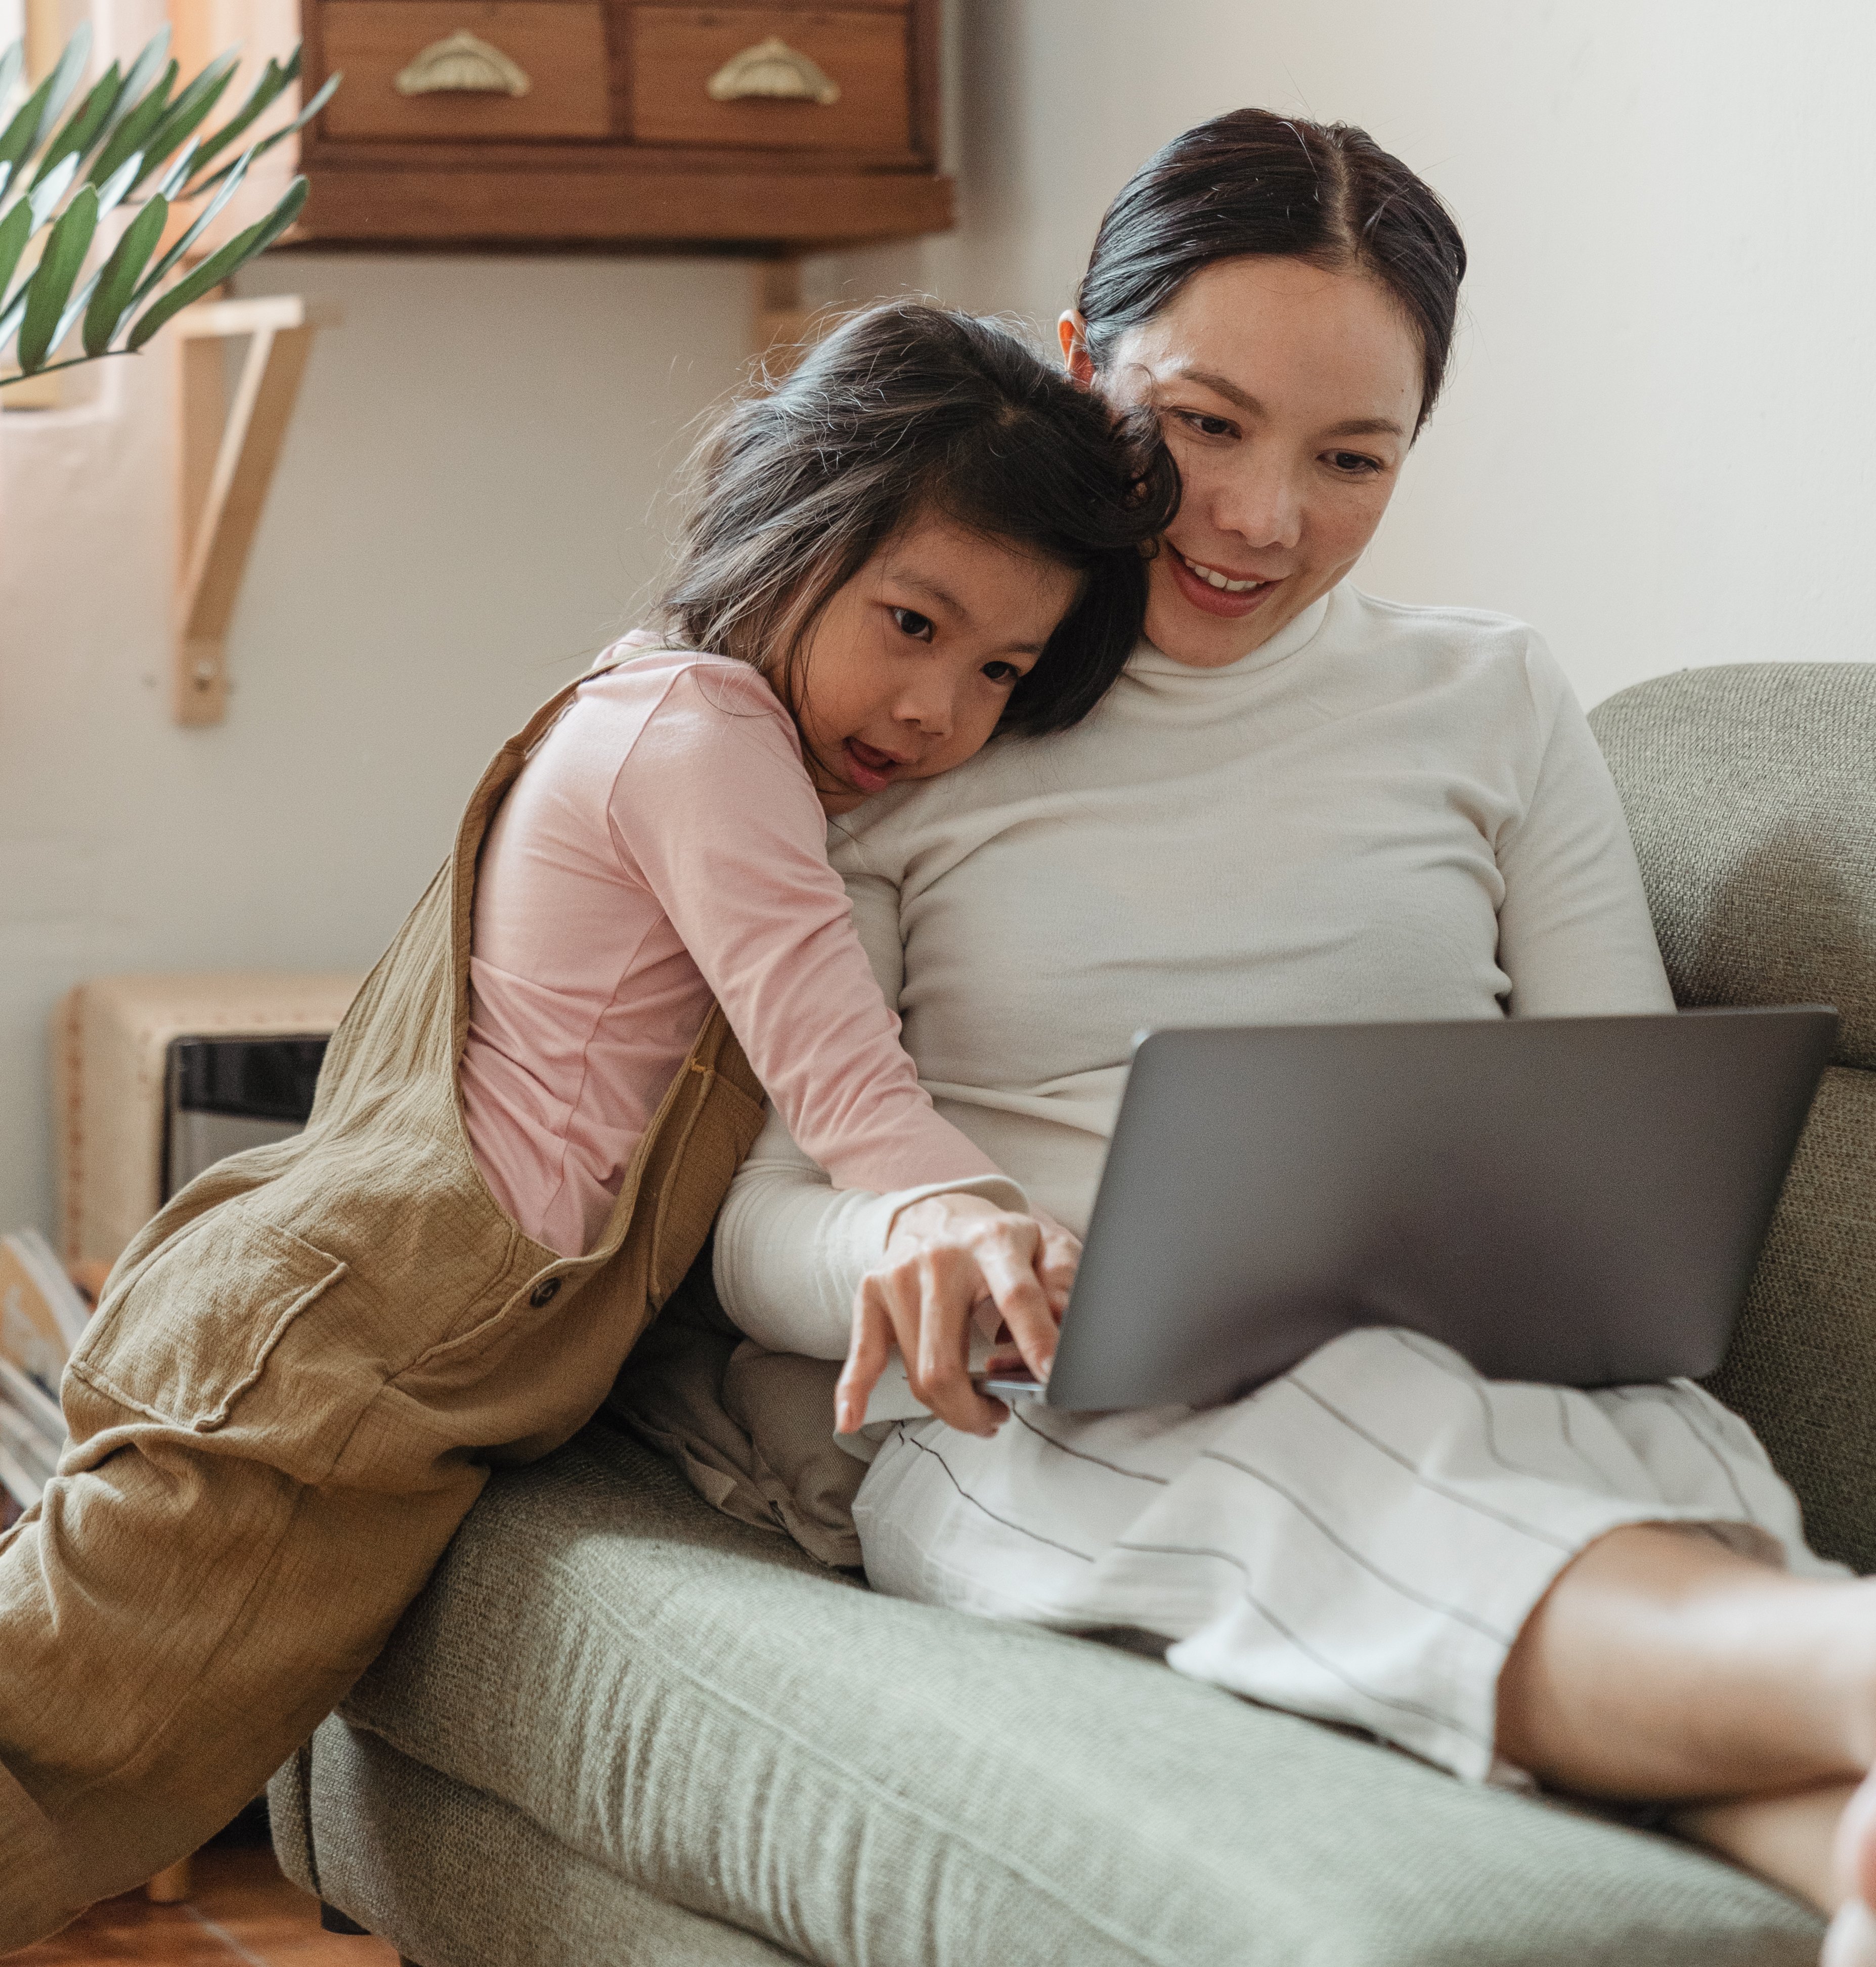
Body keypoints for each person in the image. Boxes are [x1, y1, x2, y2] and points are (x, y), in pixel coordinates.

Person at [711, 113, 1876, 1965]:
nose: (1266, 517)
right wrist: (918, 1236)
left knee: (1538, 1431)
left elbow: (1628, 1125)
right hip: (1059, 1408)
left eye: (1354, 458)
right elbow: (763, 1209)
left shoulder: (1490, 697)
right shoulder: (929, 715)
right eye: (1206, 424)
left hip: (1500, 1369)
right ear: (1083, 372)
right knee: (1354, 1427)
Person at [0, 303, 1172, 1947]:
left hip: (355, 1349)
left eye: (998, 671)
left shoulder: (648, 707)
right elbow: (835, 1062)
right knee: (60, 1746)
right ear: (788, 527)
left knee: (82, 1750)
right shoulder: (705, 742)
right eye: (911, 621)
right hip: (345, 1358)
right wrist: (970, 1214)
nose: (935, 708)